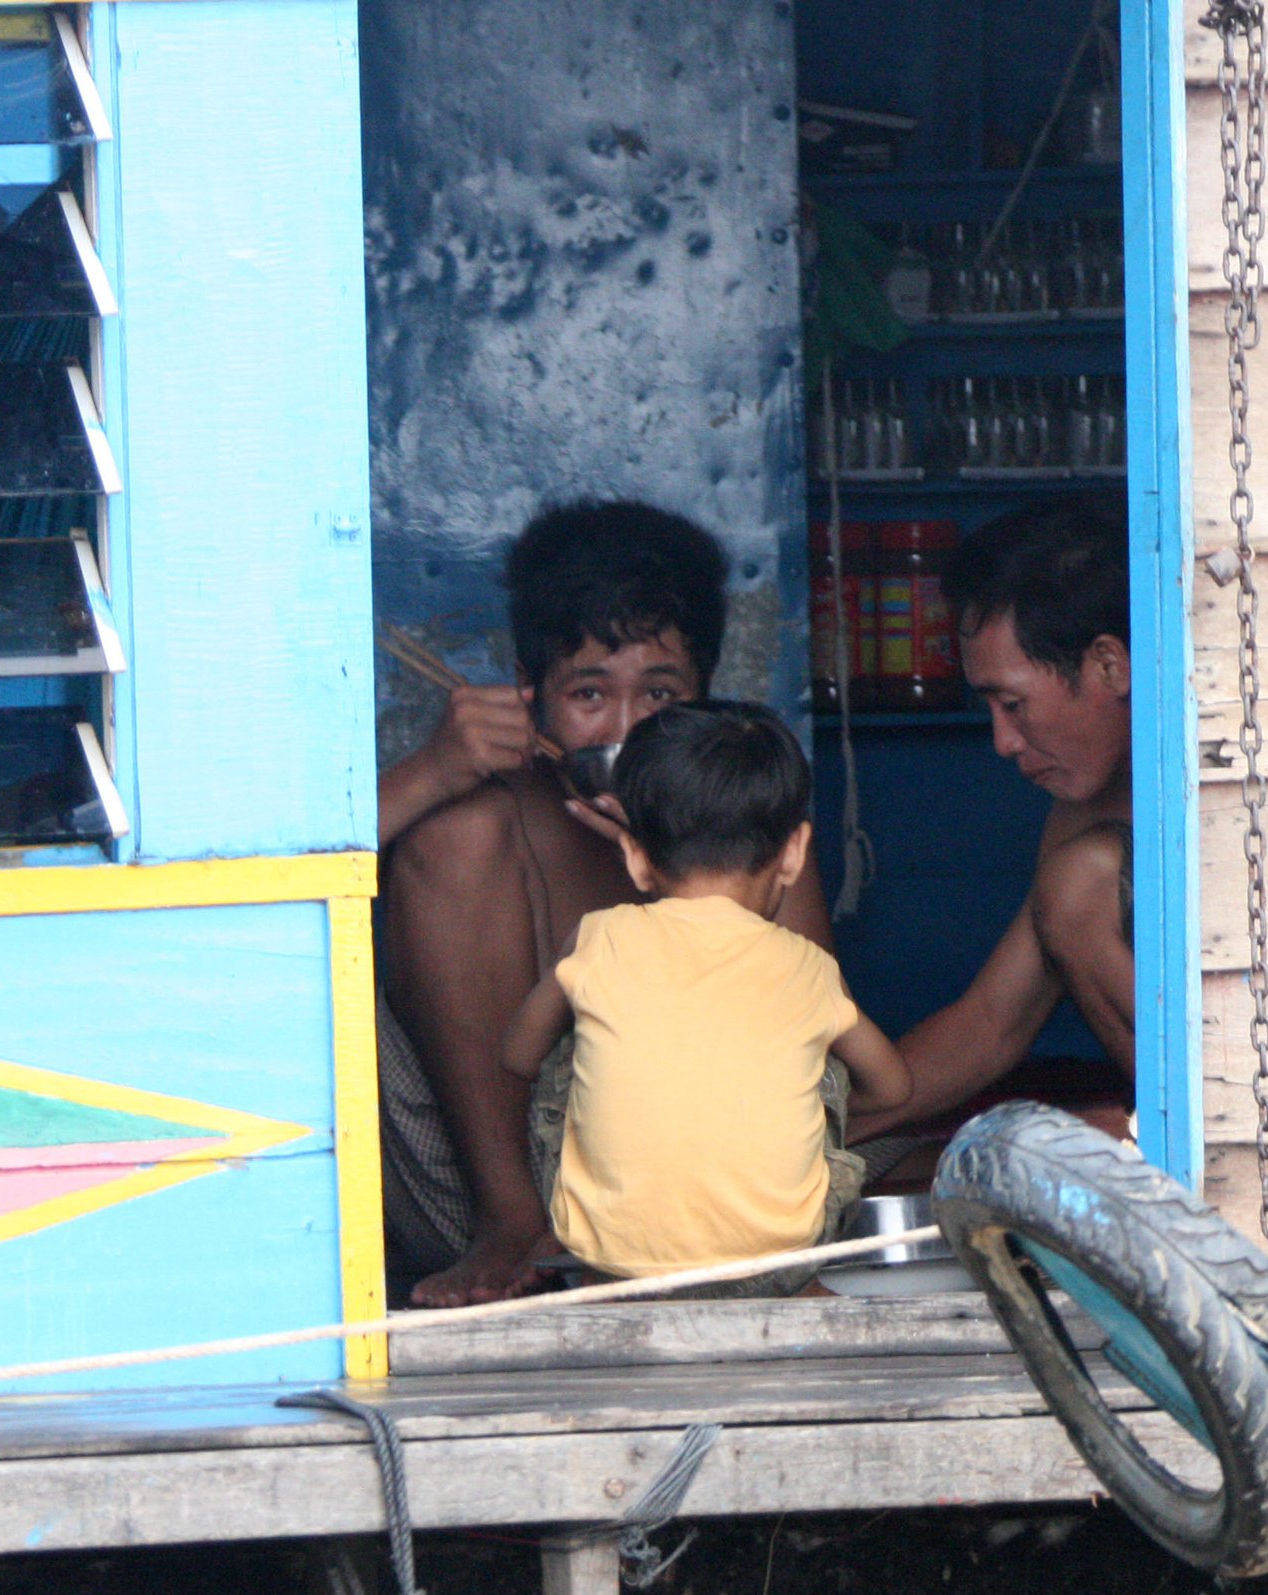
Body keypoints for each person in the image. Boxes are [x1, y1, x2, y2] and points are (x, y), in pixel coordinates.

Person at [377, 501, 835, 1305]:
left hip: (704, 1187)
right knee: (452, 834)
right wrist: (427, 774)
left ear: (705, 696)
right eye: (590, 692)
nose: (628, 729)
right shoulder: (490, 817)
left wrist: (682, 859)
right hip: (480, 1191)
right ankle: (511, 1218)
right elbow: (273, 885)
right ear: (532, 699)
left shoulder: (748, 826)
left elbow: (811, 1030)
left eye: (660, 696)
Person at [500, 702, 909, 1295]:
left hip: (618, 1266)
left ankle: (594, 1252)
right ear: (794, 852)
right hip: (777, 1259)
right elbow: (896, 1088)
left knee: (571, 1045)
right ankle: (797, 1280)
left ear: (636, 857)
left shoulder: (596, 939)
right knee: (822, 1054)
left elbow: (517, 1057)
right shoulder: (810, 967)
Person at [850, 491, 1135, 1140]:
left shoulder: (1228, 774)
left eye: (1013, 703)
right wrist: (804, 1133)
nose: (1003, 742)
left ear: (1108, 664)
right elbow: (991, 1022)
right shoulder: (1081, 808)